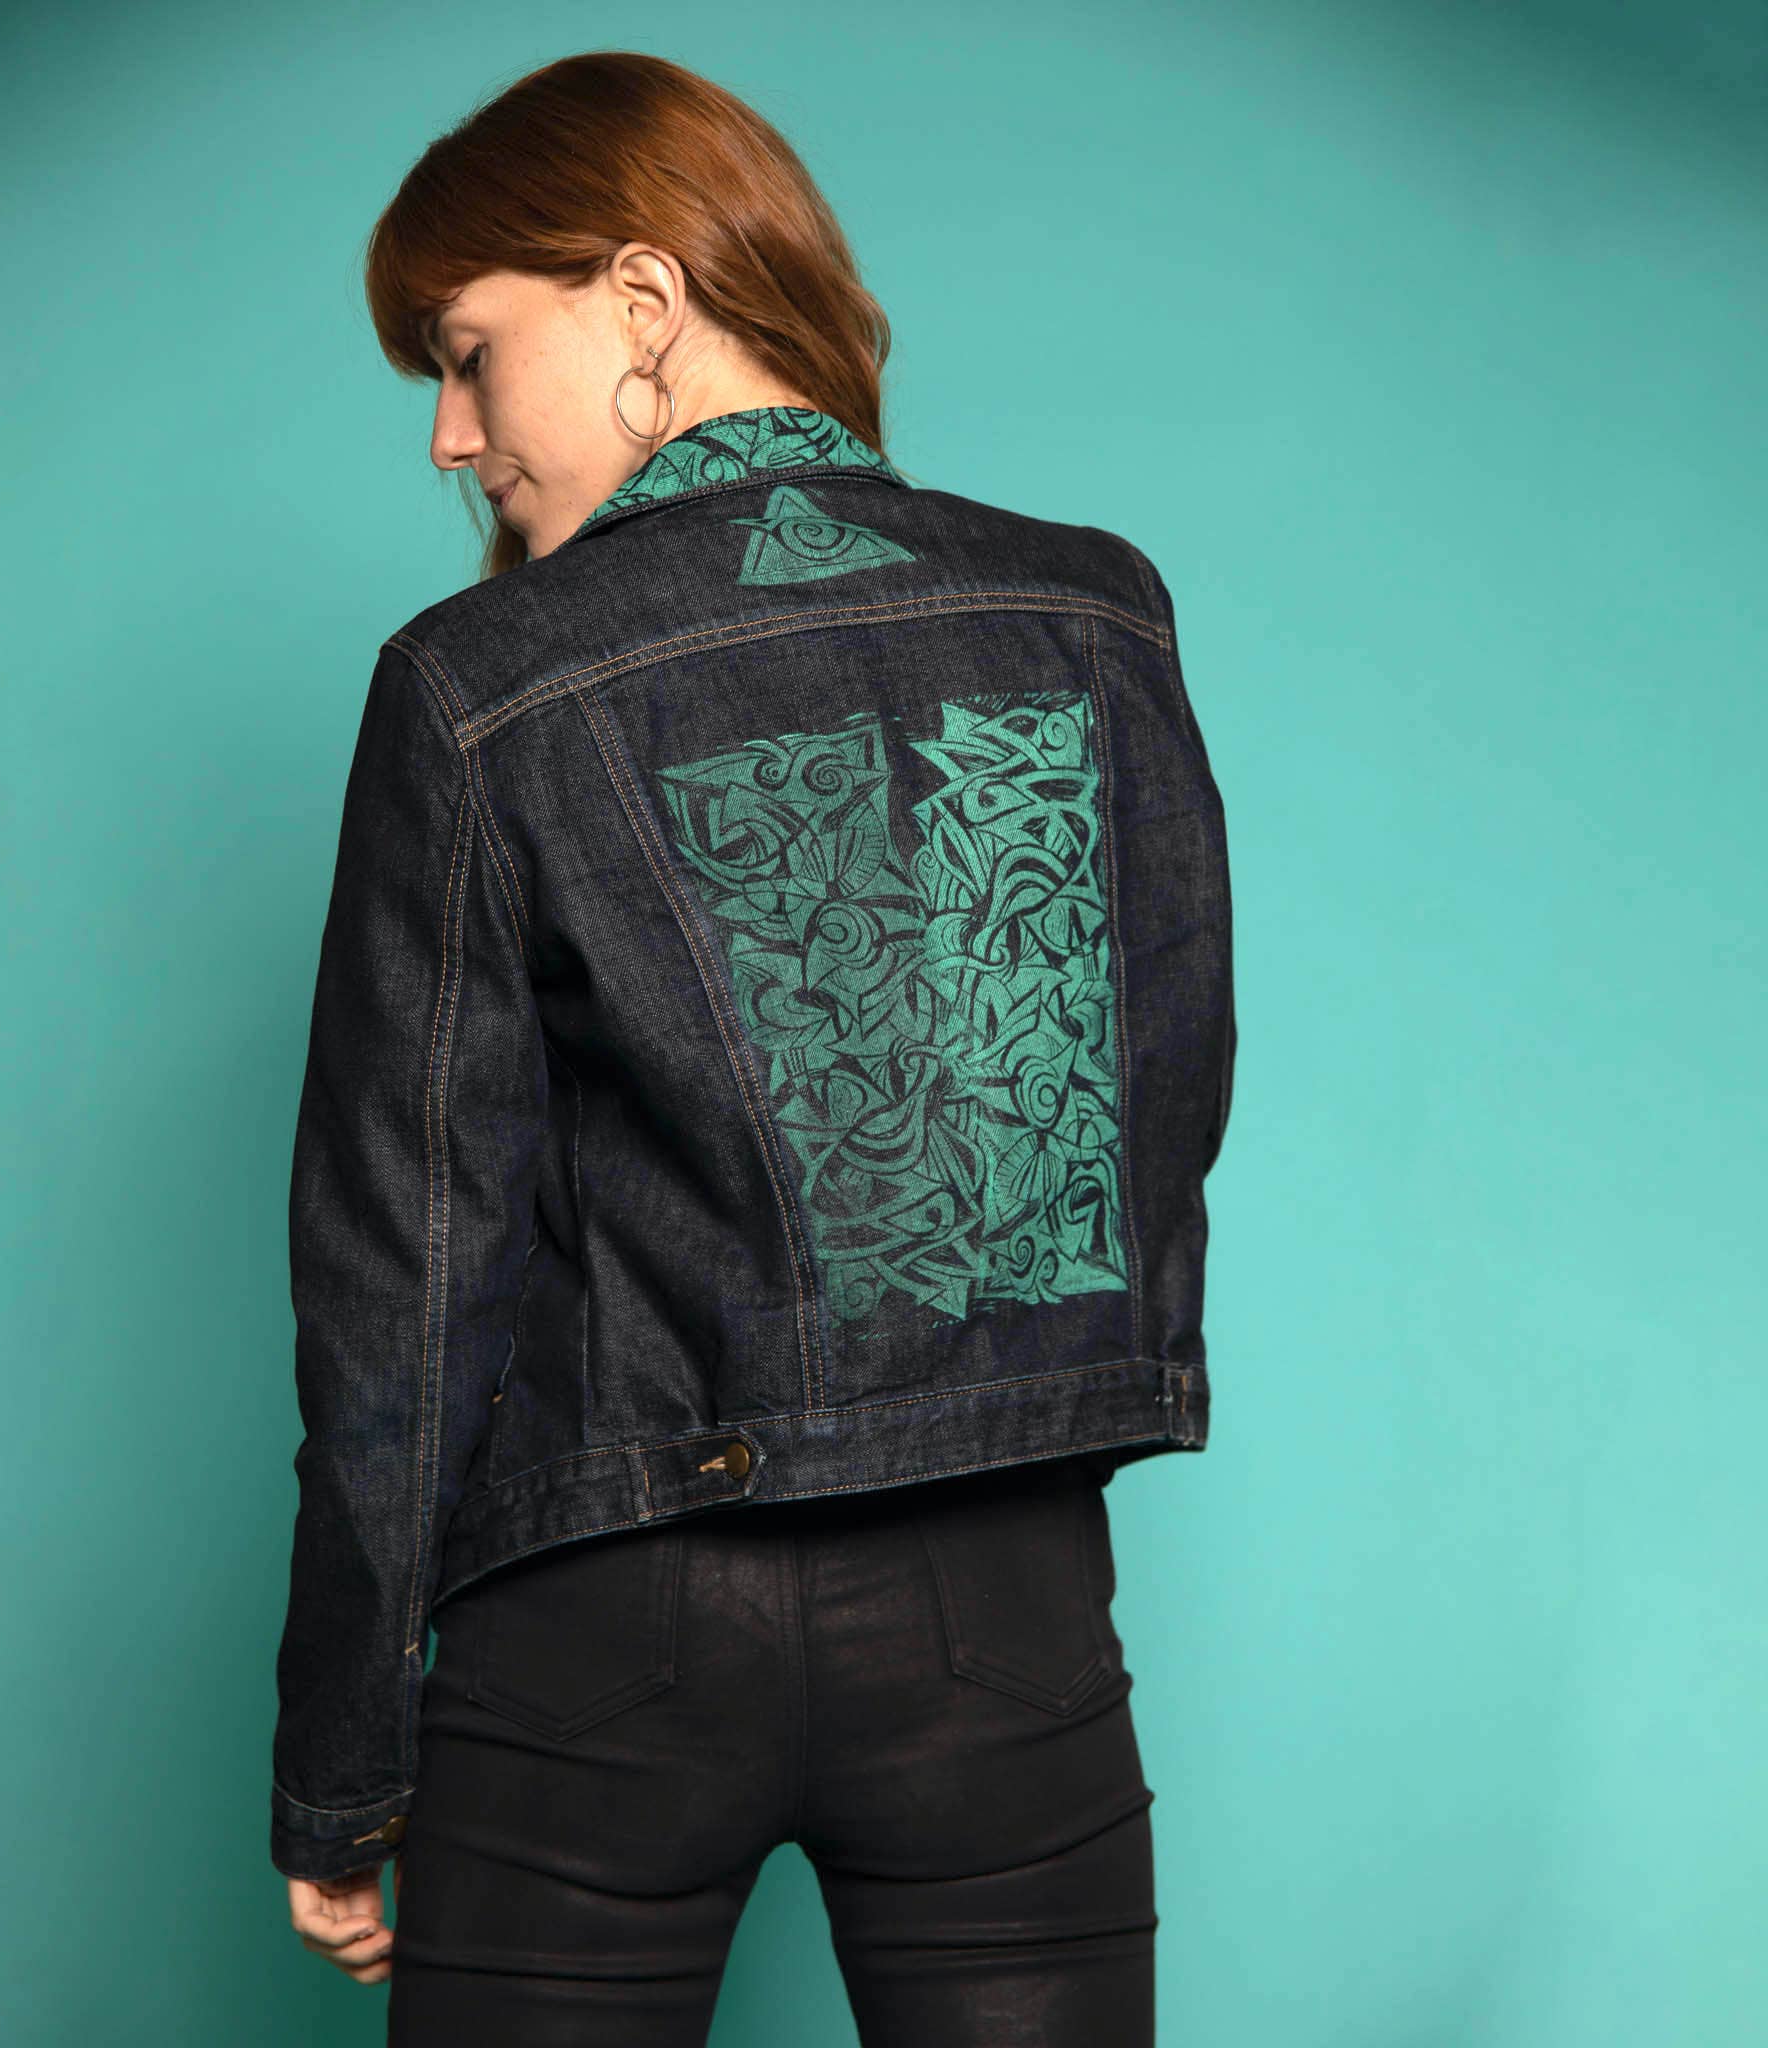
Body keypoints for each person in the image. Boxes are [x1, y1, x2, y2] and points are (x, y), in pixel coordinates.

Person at [271, 49, 1235, 2047]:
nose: (451, 435)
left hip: (602, 1633)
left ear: (643, 296)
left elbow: (407, 1282)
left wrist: (342, 1769)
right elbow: (1156, 1101)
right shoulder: (1094, 613)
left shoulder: (481, 684)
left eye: (466, 355)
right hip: (1006, 1621)